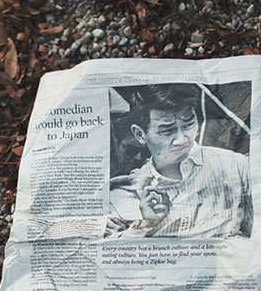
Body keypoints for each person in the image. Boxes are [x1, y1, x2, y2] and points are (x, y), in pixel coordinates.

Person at [107, 84, 252, 238]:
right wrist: (145, 226)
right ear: (140, 134)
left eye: (188, 124)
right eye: (167, 130)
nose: (181, 140)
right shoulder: (121, 195)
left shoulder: (237, 167)